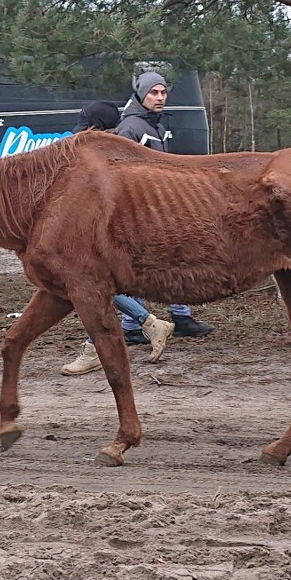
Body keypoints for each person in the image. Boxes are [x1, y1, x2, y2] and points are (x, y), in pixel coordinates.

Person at [62, 100, 175, 376]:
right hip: (117, 231)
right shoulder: (109, 150)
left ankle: (107, 343)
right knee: (99, 287)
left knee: (88, 285)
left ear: (95, 128)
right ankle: (146, 324)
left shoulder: (99, 156)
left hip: (110, 233)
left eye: (86, 127)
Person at [115, 71, 214, 339]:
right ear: (141, 95)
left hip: (164, 209)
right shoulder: (130, 128)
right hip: (142, 213)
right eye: (154, 93)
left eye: (163, 92)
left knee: (175, 260)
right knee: (136, 267)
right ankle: (131, 326)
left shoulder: (155, 125)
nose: (160, 98)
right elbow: (123, 176)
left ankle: (181, 316)